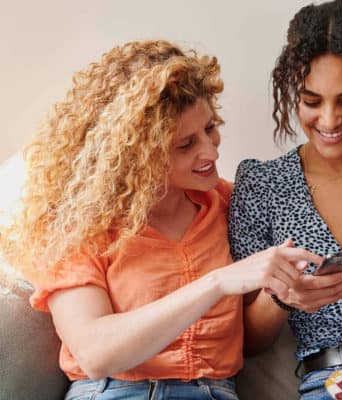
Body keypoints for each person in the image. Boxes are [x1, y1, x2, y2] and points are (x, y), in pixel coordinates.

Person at [0, 40, 321, 400]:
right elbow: (95, 353)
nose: (212, 150)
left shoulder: (231, 204)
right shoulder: (79, 223)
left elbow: (248, 342)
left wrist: (281, 295)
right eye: (185, 145)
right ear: (137, 154)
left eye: (210, 128)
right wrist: (217, 282)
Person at [228, 0, 342, 398]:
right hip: (334, 383)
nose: (328, 120)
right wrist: (284, 297)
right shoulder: (262, 185)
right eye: (311, 101)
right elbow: (248, 341)